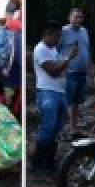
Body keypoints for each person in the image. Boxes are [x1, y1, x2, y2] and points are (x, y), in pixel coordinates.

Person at [32, 23, 73, 172]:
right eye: (56, 36)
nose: (58, 39)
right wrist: (68, 58)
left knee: (57, 129)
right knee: (48, 128)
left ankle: (49, 162)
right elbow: (53, 71)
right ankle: (37, 162)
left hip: (59, 93)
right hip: (47, 93)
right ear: (48, 34)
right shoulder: (40, 49)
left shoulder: (53, 49)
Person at [59, 9, 92, 136]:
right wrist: (60, 67)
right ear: (69, 17)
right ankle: (61, 128)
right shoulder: (63, 31)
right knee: (66, 101)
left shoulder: (84, 31)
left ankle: (73, 128)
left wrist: (90, 67)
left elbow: (87, 50)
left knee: (76, 102)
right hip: (69, 72)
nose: (79, 20)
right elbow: (56, 49)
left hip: (82, 72)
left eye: (81, 17)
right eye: (76, 17)